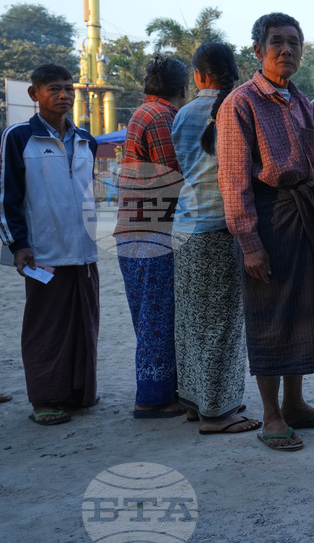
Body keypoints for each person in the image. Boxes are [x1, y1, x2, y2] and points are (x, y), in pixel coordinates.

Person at [217, 13, 314, 452]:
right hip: (268, 221)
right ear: (258, 50)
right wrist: (249, 243)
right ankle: (271, 414)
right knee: (270, 316)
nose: (286, 50)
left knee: (303, 312)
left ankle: (296, 404)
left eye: (293, 42)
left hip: (305, 218)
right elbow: (234, 180)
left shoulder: (303, 101)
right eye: (276, 43)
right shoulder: (241, 103)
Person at [0, 64, 100, 425]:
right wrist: (18, 246)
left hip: (85, 253)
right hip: (44, 253)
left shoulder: (86, 139)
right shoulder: (18, 137)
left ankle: (78, 394)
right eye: (53, 89)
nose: (64, 95)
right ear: (34, 95)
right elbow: (6, 197)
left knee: (84, 325)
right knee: (46, 328)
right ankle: (45, 399)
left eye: (68, 88)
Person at [171, 42, 260, 436]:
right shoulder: (238, 107)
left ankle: (195, 403)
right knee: (222, 323)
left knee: (190, 321)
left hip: (185, 228)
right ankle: (216, 413)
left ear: (198, 75)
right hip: (220, 228)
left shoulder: (183, 114)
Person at [116, 54, 187, 419]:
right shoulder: (163, 117)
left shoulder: (143, 112)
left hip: (135, 230)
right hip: (153, 232)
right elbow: (174, 174)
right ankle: (153, 398)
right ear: (184, 87)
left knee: (148, 316)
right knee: (157, 317)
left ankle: (158, 390)